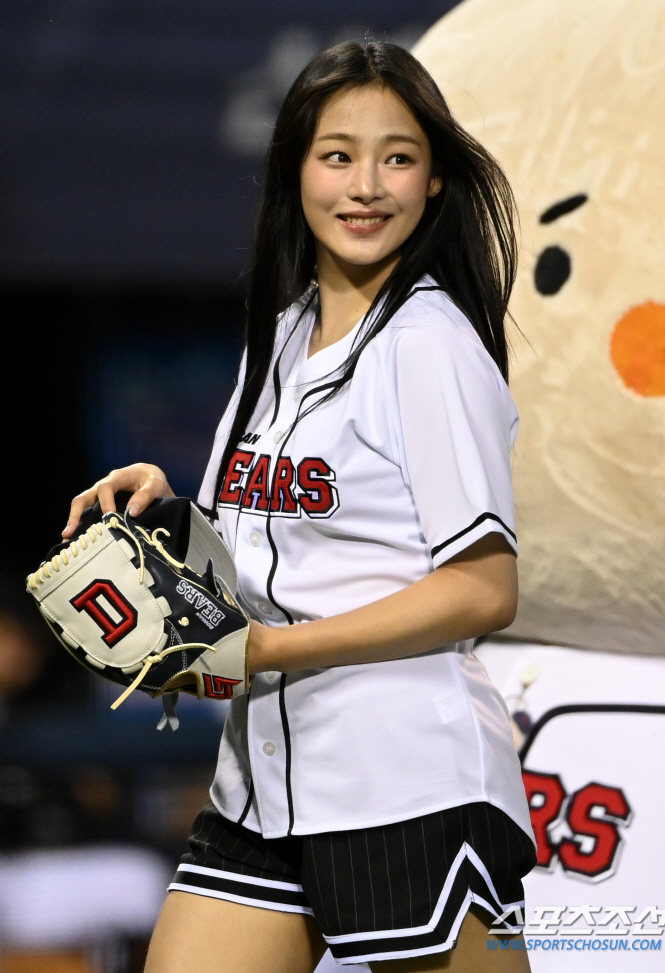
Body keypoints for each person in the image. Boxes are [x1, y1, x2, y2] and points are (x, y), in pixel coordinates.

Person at [64, 41, 536, 973]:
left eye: (398, 157)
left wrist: (273, 650)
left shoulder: (428, 342)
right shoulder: (278, 338)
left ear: (435, 180)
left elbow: (485, 590)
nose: (367, 185)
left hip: (407, 782)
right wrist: (174, 510)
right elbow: (279, 544)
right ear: (294, 170)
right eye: (337, 155)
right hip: (263, 784)